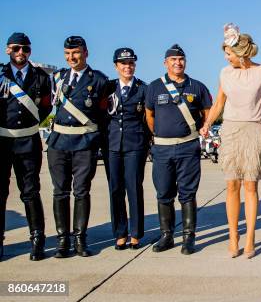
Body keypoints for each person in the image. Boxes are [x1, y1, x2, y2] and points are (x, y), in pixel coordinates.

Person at [201, 23, 261, 259]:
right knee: (231, 185)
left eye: (229, 53)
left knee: (250, 186)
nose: (226, 57)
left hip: (255, 131)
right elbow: (218, 104)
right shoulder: (225, 73)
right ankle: (233, 236)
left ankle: (250, 239)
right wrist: (207, 123)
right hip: (231, 132)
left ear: (241, 52)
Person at [145, 44, 212, 255]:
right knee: (164, 192)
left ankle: (188, 237)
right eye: (173, 60)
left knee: (187, 193)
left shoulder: (197, 86)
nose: (178, 63)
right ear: (165, 63)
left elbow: (208, 112)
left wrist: (205, 126)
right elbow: (149, 116)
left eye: (181, 59)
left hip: (188, 147)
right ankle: (166, 236)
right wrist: (162, 134)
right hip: (162, 149)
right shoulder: (154, 87)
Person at [47, 36, 109, 257]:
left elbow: (103, 117)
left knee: (82, 191)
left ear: (86, 53)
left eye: (76, 53)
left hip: (84, 143)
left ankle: (80, 240)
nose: (71, 58)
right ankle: (62, 241)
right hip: (58, 143)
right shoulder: (56, 78)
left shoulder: (100, 80)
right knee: (60, 192)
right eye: (67, 54)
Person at [0, 33, 52, 261]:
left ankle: (37, 238)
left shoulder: (40, 77)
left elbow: (46, 108)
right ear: (7, 50)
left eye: (25, 49)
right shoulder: (0, 75)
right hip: (2, 140)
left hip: (28, 141)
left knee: (30, 191)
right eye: (16, 48)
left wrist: (29, 124)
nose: (21, 52)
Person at [106, 48, 149, 250]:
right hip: (112, 144)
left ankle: (135, 233)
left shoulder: (143, 89)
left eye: (131, 63)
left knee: (133, 188)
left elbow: (148, 118)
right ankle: (120, 233)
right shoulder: (107, 88)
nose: (127, 67)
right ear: (116, 66)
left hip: (135, 145)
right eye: (123, 63)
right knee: (115, 190)